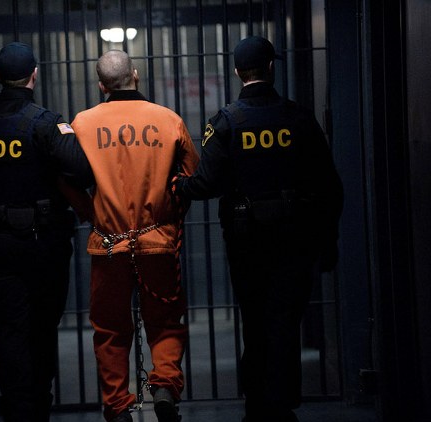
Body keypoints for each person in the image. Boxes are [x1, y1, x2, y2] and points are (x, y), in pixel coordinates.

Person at [173, 36, 343, 422]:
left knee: (255, 319)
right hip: (295, 238)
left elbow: (206, 183)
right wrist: (328, 241)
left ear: (237, 72)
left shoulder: (226, 122)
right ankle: (282, 404)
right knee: (285, 320)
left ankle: (257, 406)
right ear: (270, 67)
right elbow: (329, 186)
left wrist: (177, 186)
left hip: (246, 239)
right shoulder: (298, 118)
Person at [0, 41, 93, 422]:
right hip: (44, 246)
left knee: (8, 330)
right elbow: (82, 171)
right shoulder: (46, 124)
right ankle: (38, 402)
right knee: (43, 327)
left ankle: (18, 409)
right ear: (35, 75)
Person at [70, 50, 200, 422]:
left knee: (110, 327)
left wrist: (90, 212)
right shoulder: (168, 120)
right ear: (136, 75)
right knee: (166, 320)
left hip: (108, 245)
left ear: (101, 85)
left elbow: (66, 178)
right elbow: (191, 178)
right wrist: (169, 218)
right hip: (157, 241)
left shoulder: (83, 124)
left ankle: (117, 406)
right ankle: (165, 387)